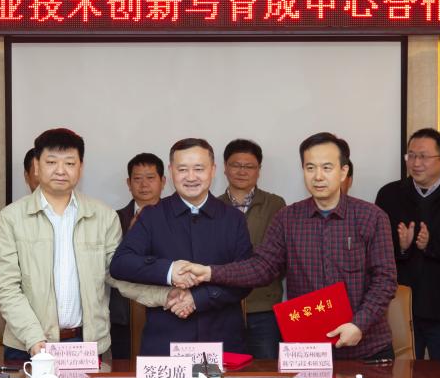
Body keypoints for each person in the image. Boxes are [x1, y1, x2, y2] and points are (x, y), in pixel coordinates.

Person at [175, 133, 397, 360]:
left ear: (343, 171)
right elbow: (262, 267)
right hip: (310, 350)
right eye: (310, 168)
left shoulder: (371, 217)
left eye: (327, 168)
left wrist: (359, 324)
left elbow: (385, 280)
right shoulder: (287, 218)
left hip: (366, 348)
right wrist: (210, 272)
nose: (318, 176)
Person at [0, 128, 171, 360]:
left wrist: (166, 296)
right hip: (27, 345)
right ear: (36, 166)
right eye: (51, 162)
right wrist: (34, 338)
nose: (60, 170)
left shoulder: (103, 216)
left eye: (69, 163)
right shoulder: (11, 218)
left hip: (85, 346)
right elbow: (5, 286)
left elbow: (121, 274)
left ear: (80, 168)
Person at [109, 138, 253, 355]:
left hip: (222, 340)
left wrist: (198, 299)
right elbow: (121, 264)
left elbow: (246, 277)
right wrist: (169, 270)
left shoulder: (233, 219)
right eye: (183, 169)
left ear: (213, 170)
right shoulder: (152, 216)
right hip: (165, 341)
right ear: (171, 171)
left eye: (199, 169)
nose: (191, 177)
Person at [374, 128, 440, 374]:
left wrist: (429, 246)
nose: (416, 163)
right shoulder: (389, 194)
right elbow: (376, 254)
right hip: (399, 311)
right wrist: (401, 248)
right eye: (411, 155)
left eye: (423, 156)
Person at [220, 139, 286, 359]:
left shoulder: (275, 204)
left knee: (266, 370)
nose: (242, 171)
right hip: (223, 307)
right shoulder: (213, 206)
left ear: (259, 170)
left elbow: (283, 255)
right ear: (225, 168)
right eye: (235, 165)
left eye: (249, 166)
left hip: (264, 307)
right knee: (223, 370)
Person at [109, 153, 167, 359]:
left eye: (150, 178)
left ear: (163, 181)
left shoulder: (177, 217)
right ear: (128, 183)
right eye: (137, 179)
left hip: (167, 309)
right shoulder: (113, 218)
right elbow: (110, 263)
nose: (144, 185)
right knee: (123, 368)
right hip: (123, 313)